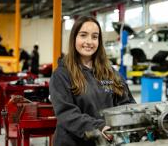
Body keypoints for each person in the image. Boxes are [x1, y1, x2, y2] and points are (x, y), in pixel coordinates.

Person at [49, 16, 136, 146]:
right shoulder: (62, 75)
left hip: (107, 141)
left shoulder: (110, 72)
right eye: (83, 35)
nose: (89, 41)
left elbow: (126, 103)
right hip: (73, 142)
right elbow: (67, 113)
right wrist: (99, 127)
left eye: (94, 37)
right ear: (74, 38)